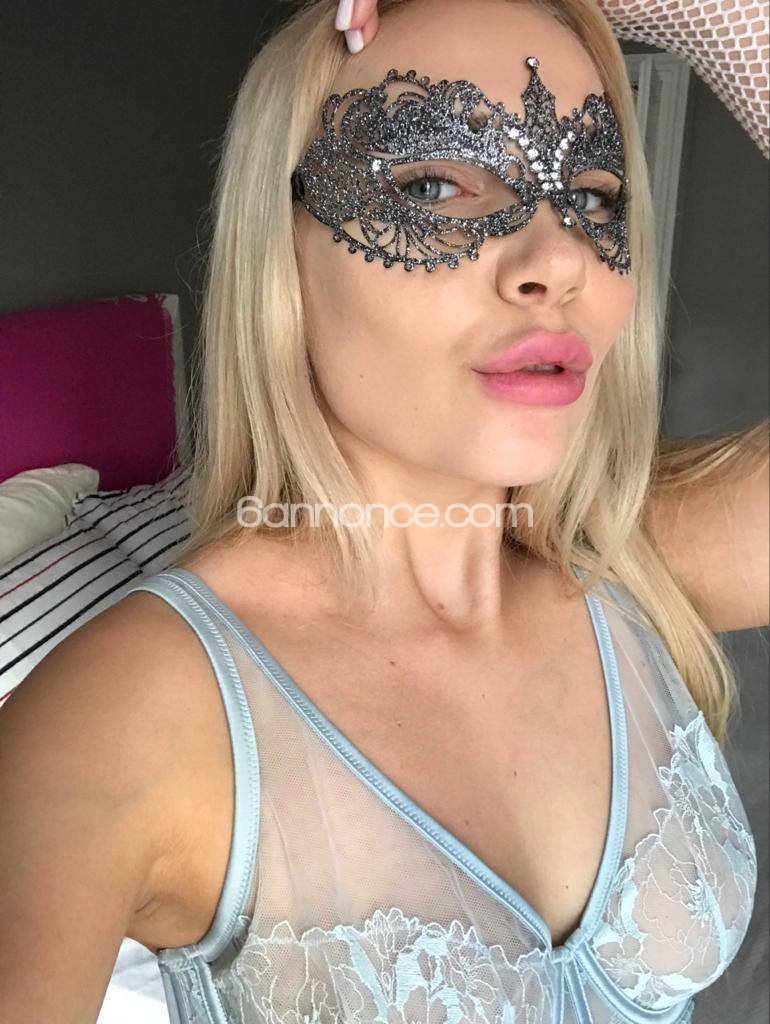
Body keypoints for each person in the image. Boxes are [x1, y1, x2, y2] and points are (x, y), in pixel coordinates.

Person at [1, 1, 767, 1022]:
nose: (558, 261)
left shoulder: (632, 561)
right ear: (284, 249)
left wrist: (709, 12)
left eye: (592, 195)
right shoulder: (121, 719)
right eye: (433, 185)